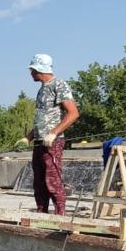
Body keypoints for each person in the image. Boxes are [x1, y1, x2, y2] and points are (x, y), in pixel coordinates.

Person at [28, 53, 78, 215]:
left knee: (53, 180)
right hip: (39, 143)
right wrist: (28, 137)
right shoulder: (42, 90)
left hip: (52, 143)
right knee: (39, 183)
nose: (30, 73)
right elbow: (42, 119)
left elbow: (73, 113)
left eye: (32, 70)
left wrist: (54, 133)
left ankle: (60, 215)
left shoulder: (59, 85)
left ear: (39, 69)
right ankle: (41, 213)